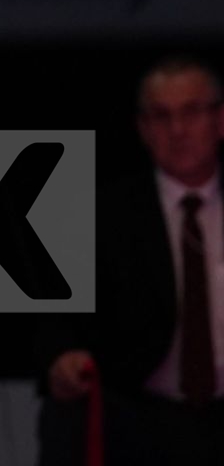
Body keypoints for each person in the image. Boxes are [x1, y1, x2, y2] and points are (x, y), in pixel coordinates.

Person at [36, 56, 224, 464]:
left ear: (219, 120)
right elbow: (54, 315)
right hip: (142, 413)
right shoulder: (102, 212)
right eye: (161, 116)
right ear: (143, 129)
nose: (177, 130)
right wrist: (62, 359)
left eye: (190, 112)